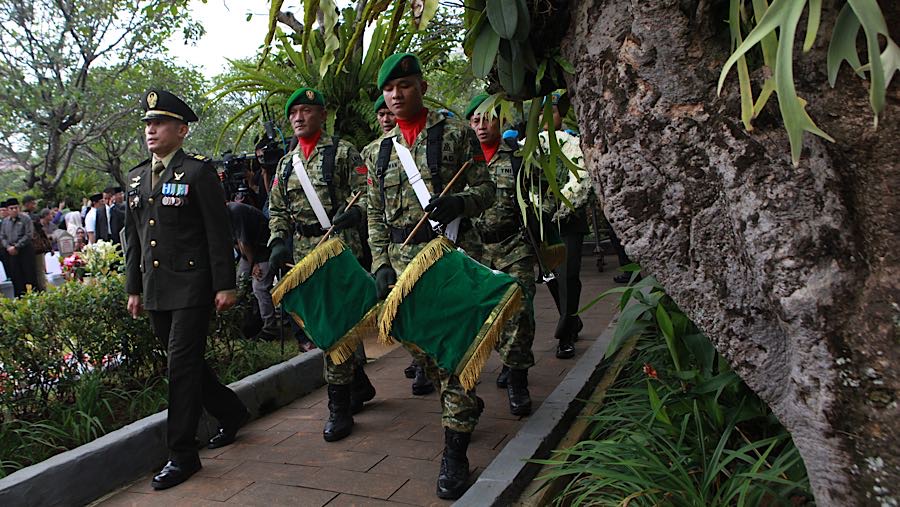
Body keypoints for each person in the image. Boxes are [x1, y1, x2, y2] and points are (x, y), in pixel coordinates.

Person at [365, 53, 495, 499]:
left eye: (403, 86)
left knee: (455, 352)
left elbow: (486, 189)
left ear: (420, 86)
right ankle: (460, 401)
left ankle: (454, 453)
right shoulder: (377, 152)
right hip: (405, 266)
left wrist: (459, 203)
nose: (396, 95)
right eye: (388, 89)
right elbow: (376, 217)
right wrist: (380, 262)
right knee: (423, 353)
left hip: (452, 257)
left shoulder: (455, 132)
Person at [124, 89, 249, 491]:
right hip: (157, 289)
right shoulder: (137, 177)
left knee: (179, 368)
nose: (151, 130)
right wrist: (135, 289)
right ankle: (230, 411)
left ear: (181, 129)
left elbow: (218, 232)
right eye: (147, 124)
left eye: (158, 123)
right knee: (188, 364)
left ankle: (181, 453)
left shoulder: (197, 173)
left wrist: (226, 284)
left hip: (194, 287)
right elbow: (135, 239)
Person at [267, 86, 376, 442]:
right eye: (293, 113)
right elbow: (278, 212)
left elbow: (367, 195)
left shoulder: (343, 153)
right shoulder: (286, 165)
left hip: (339, 251)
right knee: (318, 327)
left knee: (335, 328)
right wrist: (277, 244)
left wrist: (353, 214)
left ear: (322, 114)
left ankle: (339, 406)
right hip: (304, 256)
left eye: (306, 111)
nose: (299, 118)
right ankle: (358, 384)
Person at [466, 94, 535, 416]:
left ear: (502, 121)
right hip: (473, 252)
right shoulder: (463, 162)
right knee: (481, 318)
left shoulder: (518, 160)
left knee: (519, 311)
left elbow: (541, 201)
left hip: (512, 247)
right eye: (475, 121)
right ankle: (500, 360)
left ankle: (518, 378)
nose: (481, 126)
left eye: (488, 119)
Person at [540, 94, 590, 359]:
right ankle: (571, 319)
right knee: (552, 277)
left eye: (552, 111)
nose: (546, 118)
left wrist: (563, 203)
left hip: (569, 219)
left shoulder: (575, 143)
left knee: (569, 276)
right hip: (542, 223)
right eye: (540, 113)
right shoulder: (529, 146)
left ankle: (565, 335)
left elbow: (581, 177)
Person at [226, 201, 279, 340]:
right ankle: (250, 323)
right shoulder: (222, 215)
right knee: (241, 285)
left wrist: (254, 264)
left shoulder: (236, 211)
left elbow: (244, 242)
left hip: (265, 250)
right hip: (248, 253)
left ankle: (270, 329)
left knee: (259, 287)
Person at [0, 198, 37, 297]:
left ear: (19, 208)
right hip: (11, 252)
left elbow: (28, 235)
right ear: (7, 210)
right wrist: (8, 247)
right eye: (11, 208)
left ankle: (34, 298)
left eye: (16, 208)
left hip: (25, 250)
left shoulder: (26, 219)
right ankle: (20, 299)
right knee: (16, 277)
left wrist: (16, 246)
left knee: (29, 275)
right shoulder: (5, 222)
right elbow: (2, 236)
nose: (14, 210)